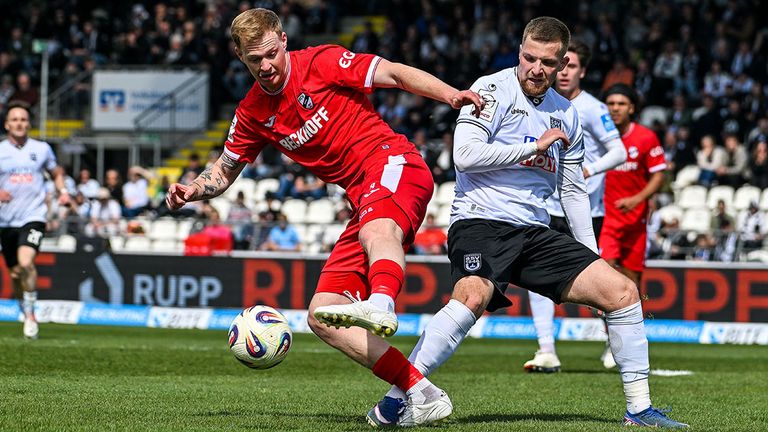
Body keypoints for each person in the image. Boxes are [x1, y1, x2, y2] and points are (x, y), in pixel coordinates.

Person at [164, 8, 484, 427]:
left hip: (394, 164)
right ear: (241, 58)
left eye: (270, 54)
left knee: (376, 226)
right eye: (253, 60)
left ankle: (383, 302)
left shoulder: (322, 62)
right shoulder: (252, 112)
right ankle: (420, 392)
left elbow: (393, 74)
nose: (265, 66)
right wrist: (192, 189)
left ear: (282, 40)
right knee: (322, 314)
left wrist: (450, 94)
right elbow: (224, 170)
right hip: (363, 199)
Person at [368, 17, 687, 428]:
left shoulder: (567, 114)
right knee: (471, 297)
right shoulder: (488, 91)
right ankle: (397, 399)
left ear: (561, 65)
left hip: (535, 231)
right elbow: (464, 156)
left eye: (547, 62)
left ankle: (640, 411)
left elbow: (571, 192)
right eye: (529, 58)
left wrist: (592, 256)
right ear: (520, 52)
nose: (536, 68)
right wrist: (531, 147)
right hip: (481, 220)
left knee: (623, 292)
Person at [528, 39, 627, 374]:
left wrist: (589, 170)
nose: (565, 72)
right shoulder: (541, 104)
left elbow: (619, 152)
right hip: (545, 207)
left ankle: (615, 346)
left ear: (582, 71)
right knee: (535, 278)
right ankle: (546, 350)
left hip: (585, 211)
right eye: (562, 65)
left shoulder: (593, 108)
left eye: (572, 66)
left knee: (599, 283)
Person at [0, 101, 70, 339]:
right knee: (16, 273)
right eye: (15, 119)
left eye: (23, 119)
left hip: (33, 216)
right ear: (7, 124)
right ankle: (25, 305)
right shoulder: (1, 151)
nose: (19, 123)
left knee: (26, 261)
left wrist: (63, 192)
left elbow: (56, 172)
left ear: (29, 124)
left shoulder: (41, 149)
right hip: (6, 221)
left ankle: (31, 313)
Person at [601, 84, 667, 287]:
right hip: (606, 219)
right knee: (604, 275)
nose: (615, 108)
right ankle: (608, 319)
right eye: (610, 103)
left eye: (621, 103)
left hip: (635, 221)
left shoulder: (646, 137)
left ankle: (632, 319)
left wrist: (637, 199)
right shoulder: (596, 137)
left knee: (632, 281)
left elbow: (659, 175)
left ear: (631, 108)